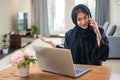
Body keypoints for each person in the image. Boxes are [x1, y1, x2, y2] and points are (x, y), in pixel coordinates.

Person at [39, 4, 109, 65]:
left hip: (94, 70)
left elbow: (103, 56)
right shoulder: (70, 35)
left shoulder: (100, 31)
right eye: (79, 19)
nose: (83, 22)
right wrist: (50, 42)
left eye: (85, 17)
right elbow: (66, 53)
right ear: (75, 21)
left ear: (89, 17)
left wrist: (97, 32)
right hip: (77, 71)